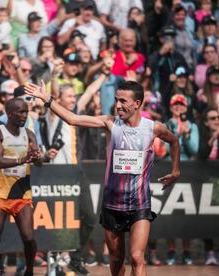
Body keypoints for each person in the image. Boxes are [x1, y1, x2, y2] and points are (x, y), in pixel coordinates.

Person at [25, 80, 180, 276]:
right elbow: (73, 119)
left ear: (137, 103)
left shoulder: (153, 128)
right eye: (116, 100)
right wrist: (48, 99)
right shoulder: (109, 123)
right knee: (116, 260)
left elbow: (174, 141)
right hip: (112, 204)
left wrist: (176, 171)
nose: (118, 105)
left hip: (140, 203)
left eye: (123, 101)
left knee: (136, 257)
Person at [0, 97, 42, 276]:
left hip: (22, 194)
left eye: (26, 112)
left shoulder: (29, 134)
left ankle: (29, 271)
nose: (24, 115)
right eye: (20, 112)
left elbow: (38, 163)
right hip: (1, 194)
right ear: (9, 113)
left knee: (29, 238)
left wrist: (37, 156)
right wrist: (23, 159)